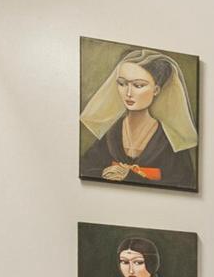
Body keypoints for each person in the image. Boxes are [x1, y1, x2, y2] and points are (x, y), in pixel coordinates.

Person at [79, 48, 197, 189]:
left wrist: (129, 176)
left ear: (156, 90)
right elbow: (86, 169)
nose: (128, 93)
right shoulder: (111, 133)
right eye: (122, 83)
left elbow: (184, 183)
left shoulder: (170, 139)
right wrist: (108, 173)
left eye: (138, 85)